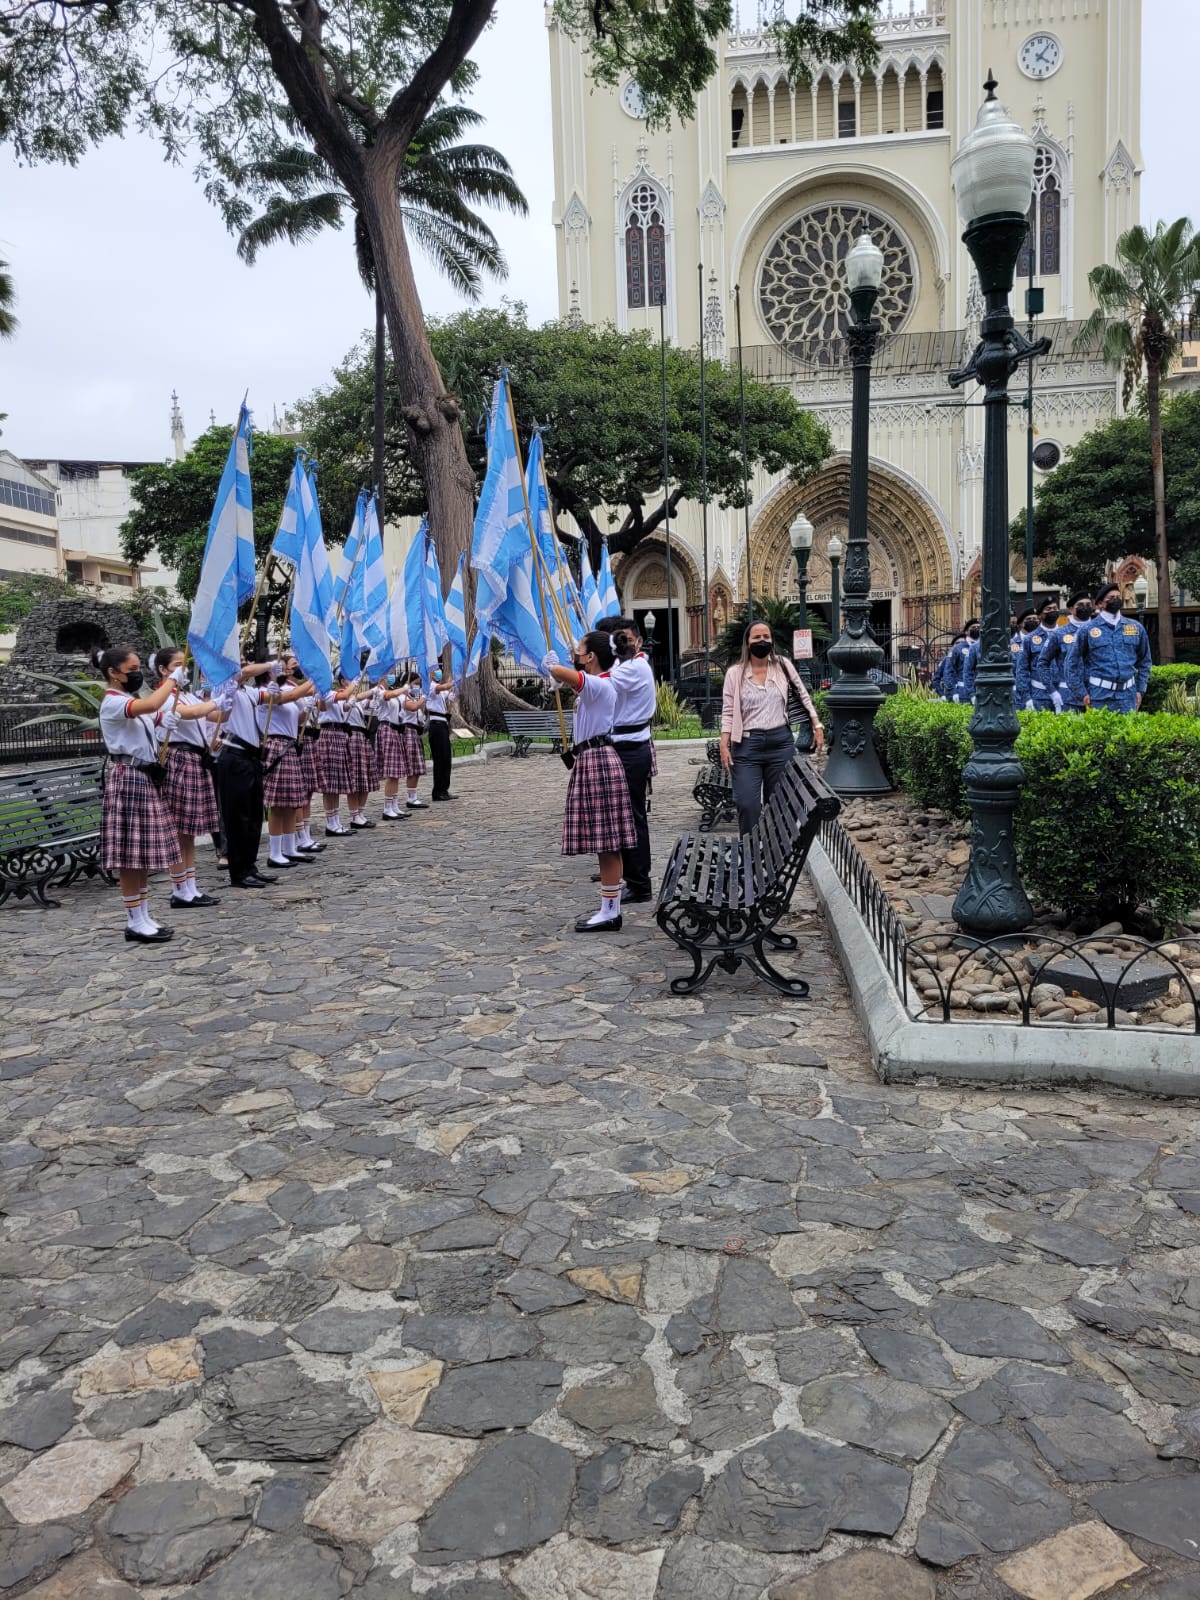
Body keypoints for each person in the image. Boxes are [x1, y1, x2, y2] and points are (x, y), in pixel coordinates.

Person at [543, 632, 637, 932]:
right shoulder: (599, 686)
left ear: (591, 657)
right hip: (592, 759)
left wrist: (554, 668)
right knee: (605, 843)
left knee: (607, 843)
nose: (576, 654)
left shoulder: (600, 684)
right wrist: (558, 676)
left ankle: (610, 912)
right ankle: (610, 908)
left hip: (597, 760)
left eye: (579, 651)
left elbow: (562, 673)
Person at [93, 644, 187, 942]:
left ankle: (143, 915)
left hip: (143, 778)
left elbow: (155, 716)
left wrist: (167, 722)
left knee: (141, 854)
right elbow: (149, 706)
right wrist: (173, 680)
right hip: (128, 778)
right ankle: (134, 920)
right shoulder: (112, 701)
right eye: (132, 670)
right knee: (130, 856)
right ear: (113, 672)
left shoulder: (128, 698)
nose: (136, 674)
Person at [719, 620, 824, 836]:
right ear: (747, 643)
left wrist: (817, 724)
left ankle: (774, 856)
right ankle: (751, 853)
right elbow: (728, 711)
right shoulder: (735, 673)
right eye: (756, 637)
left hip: (780, 744)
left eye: (766, 637)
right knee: (747, 803)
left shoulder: (783, 665)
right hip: (747, 747)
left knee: (780, 803)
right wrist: (724, 743)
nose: (762, 641)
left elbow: (803, 694)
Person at [150, 647, 223, 908]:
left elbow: (213, 715)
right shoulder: (166, 697)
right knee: (180, 829)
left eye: (185, 663)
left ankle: (190, 886)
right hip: (180, 761)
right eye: (178, 664)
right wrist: (214, 703)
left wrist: (229, 699)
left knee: (189, 832)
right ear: (163, 669)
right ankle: (179, 888)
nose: (185, 668)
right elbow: (190, 714)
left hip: (196, 760)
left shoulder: (189, 695)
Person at [213, 661, 289, 889]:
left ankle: (250, 866)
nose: (244, 670)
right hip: (233, 755)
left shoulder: (248, 692)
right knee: (238, 818)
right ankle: (238, 871)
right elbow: (244, 673)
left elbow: (271, 699)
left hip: (250, 756)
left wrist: (274, 683)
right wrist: (270, 664)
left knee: (254, 816)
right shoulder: (224, 687)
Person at [597, 616, 655, 904]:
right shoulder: (621, 666)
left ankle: (640, 882)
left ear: (638, 641)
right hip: (619, 747)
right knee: (618, 815)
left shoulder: (635, 667)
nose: (620, 644)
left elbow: (593, 682)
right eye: (615, 639)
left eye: (625, 639)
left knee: (632, 816)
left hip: (631, 751)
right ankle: (619, 868)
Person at [258, 652, 317, 869]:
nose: (283, 671)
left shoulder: (287, 690)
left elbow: (299, 718)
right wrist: (315, 678)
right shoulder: (266, 692)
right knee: (278, 804)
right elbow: (286, 699)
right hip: (276, 745)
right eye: (279, 667)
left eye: (284, 667)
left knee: (293, 802)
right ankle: (275, 852)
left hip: (291, 745)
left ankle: (290, 847)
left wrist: (307, 707)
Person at [1067, 581, 1152, 712]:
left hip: (1128, 696)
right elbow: (1071, 663)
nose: (1116, 600)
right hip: (1099, 696)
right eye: (1111, 598)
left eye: (1118, 597)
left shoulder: (1135, 627)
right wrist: (1081, 693)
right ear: (1100, 604)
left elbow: (1145, 661)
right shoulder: (1087, 629)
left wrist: (1141, 690)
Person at [1037, 591, 1093, 711]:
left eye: (1088, 604)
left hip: (1099, 695)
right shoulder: (1059, 634)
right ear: (1071, 609)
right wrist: (1052, 691)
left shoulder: (1100, 631)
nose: (1085, 607)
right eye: (1080, 605)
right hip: (1069, 698)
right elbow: (1042, 663)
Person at [375, 673, 416, 822]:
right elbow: (388, 695)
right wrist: (403, 689)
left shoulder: (394, 692)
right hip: (387, 729)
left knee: (397, 772)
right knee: (392, 773)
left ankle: (394, 805)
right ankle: (387, 808)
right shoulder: (379, 691)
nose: (391, 676)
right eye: (388, 674)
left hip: (396, 730)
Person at [1013, 598, 1063, 711]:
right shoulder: (1030, 639)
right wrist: (1026, 697)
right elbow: (1022, 670)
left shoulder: (1066, 635)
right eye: (1048, 609)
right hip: (1040, 695)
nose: (1052, 611)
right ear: (1040, 615)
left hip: (1065, 693)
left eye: (1055, 608)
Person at [397, 669, 430, 809]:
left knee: (417, 766)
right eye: (415, 683)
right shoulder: (403, 698)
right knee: (412, 766)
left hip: (416, 731)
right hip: (408, 731)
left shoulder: (412, 697)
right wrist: (423, 698)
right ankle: (410, 797)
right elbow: (413, 708)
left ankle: (413, 796)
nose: (417, 686)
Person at [426, 667, 455, 801]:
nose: (438, 673)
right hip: (436, 724)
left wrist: (452, 688)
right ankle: (437, 791)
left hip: (443, 723)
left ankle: (444, 788)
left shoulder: (439, 688)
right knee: (439, 758)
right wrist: (451, 683)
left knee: (446, 758)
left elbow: (448, 696)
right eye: (435, 670)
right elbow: (439, 689)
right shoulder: (430, 686)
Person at [947, 621, 980, 703]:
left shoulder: (983, 647)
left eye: (978, 627)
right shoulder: (958, 648)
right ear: (966, 631)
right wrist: (953, 691)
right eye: (973, 627)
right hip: (962, 692)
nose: (976, 629)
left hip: (981, 690)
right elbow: (950, 671)